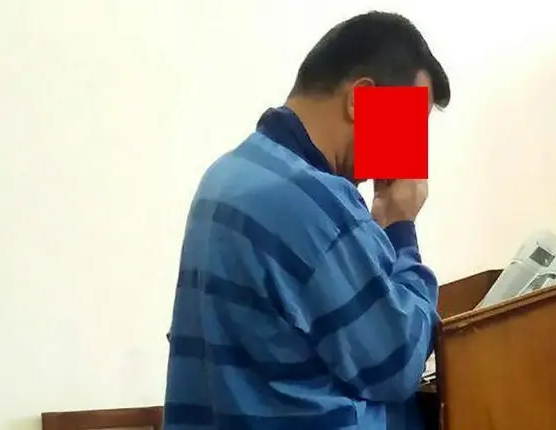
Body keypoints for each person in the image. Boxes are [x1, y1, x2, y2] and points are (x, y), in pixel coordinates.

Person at [164, 11, 451, 430]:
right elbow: (397, 365)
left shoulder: (228, 174)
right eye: (409, 125)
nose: (410, 151)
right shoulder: (313, 201)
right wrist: (399, 226)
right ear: (360, 100)